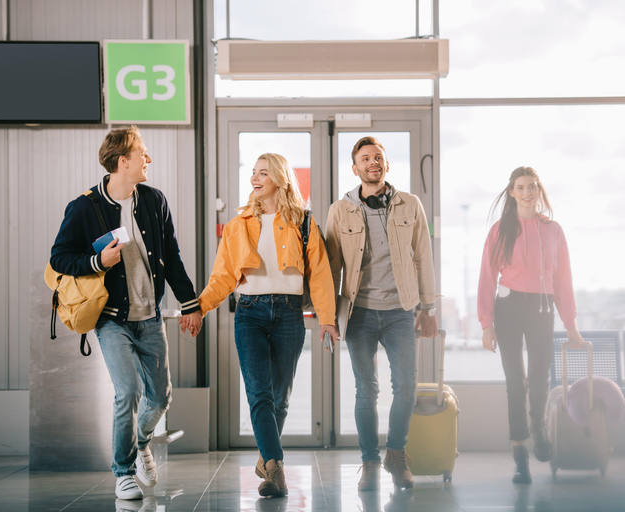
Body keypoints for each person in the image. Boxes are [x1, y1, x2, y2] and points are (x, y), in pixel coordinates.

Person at [50, 126, 203, 500]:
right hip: (112, 319)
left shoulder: (153, 200)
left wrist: (191, 304)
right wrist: (96, 260)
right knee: (128, 392)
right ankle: (123, 470)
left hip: (150, 317)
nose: (148, 160)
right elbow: (59, 257)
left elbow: (173, 257)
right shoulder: (85, 206)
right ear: (123, 161)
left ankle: (142, 443)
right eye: (143, 154)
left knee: (160, 397)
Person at [197, 153, 338, 498]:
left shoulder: (304, 223)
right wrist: (197, 308)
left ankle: (267, 461)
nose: (255, 179)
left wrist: (327, 320)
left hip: (290, 314)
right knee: (259, 392)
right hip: (249, 314)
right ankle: (275, 468)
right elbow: (222, 277)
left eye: (263, 173)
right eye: (253, 173)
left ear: (279, 177)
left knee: (280, 397)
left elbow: (320, 276)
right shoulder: (237, 225)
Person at [325, 136, 437, 491]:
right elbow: (331, 267)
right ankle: (370, 461)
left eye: (378, 157)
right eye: (365, 158)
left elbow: (424, 256)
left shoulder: (410, 204)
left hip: (401, 310)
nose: (372, 162)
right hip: (359, 312)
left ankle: (396, 453)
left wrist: (428, 307)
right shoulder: (339, 210)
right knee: (365, 390)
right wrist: (328, 316)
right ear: (354, 168)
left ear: (386, 165)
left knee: (405, 387)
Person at [477, 166, 584, 484]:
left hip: (542, 307)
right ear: (511, 192)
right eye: (520, 187)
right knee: (515, 382)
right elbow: (487, 277)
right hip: (508, 307)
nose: (527, 191)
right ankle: (519, 452)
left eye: (532, 186)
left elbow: (563, 279)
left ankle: (538, 423)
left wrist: (571, 323)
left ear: (539, 190)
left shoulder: (554, 230)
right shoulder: (500, 229)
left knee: (539, 377)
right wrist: (486, 323)